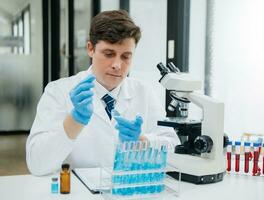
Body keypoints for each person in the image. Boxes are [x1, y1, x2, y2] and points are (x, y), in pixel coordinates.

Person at [26, 10, 179, 176]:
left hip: (129, 191)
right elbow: (37, 164)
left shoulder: (144, 92)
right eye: (109, 54)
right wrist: (74, 122)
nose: (117, 65)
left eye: (126, 57)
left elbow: (174, 149)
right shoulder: (58, 92)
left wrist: (143, 141)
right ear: (90, 49)